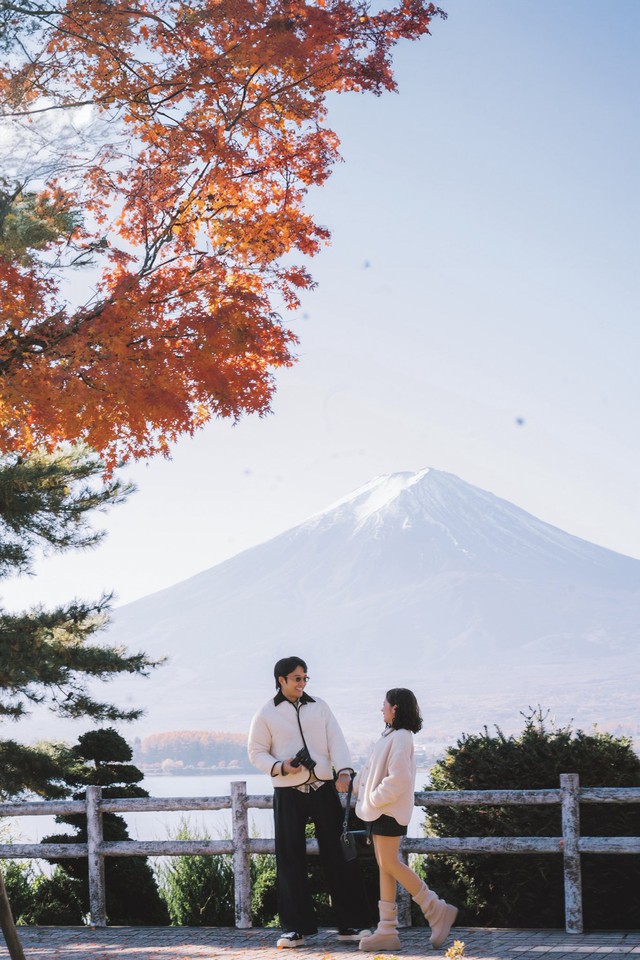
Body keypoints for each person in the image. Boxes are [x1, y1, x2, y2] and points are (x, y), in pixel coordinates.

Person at [248, 656, 372, 949]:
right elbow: (256, 752)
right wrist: (281, 766)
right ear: (281, 680)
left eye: (305, 678)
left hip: (323, 788)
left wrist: (343, 770)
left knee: (340, 854)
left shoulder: (321, 706)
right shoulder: (265, 713)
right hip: (288, 792)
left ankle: (351, 924)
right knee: (289, 858)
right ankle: (295, 930)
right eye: (296, 679)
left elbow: (336, 740)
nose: (302, 683)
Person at [354, 688, 458, 951]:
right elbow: (372, 771)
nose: (382, 708)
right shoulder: (391, 735)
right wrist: (358, 787)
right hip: (381, 810)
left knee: (389, 863)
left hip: (388, 809)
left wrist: (375, 798)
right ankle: (387, 930)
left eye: (385, 704)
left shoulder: (401, 737)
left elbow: (398, 778)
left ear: (396, 708)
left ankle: (435, 908)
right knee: (385, 866)